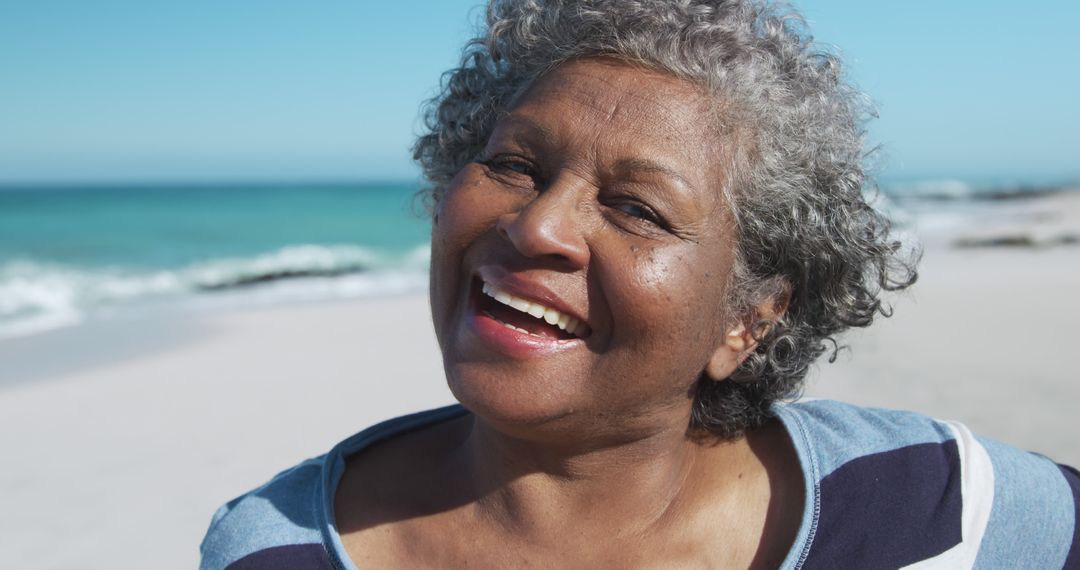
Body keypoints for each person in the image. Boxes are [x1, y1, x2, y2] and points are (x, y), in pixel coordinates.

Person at [199, 1, 1080, 568]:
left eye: (638, 209)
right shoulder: (276, 548)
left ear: (749, 319)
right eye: (512, 163)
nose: (537, 226)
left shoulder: (924, 501)